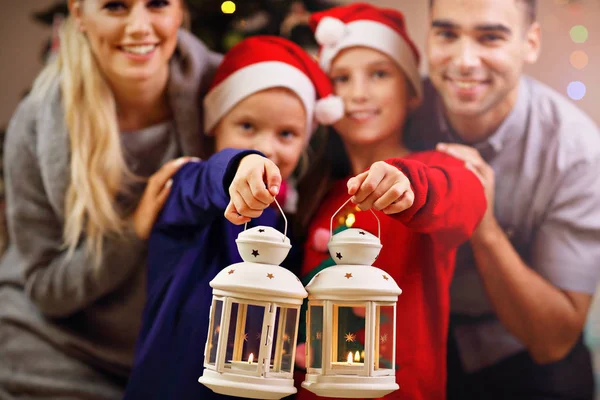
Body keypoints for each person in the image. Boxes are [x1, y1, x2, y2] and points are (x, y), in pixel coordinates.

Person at [0, 0, 222, 398]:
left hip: (183, 359)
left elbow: (307, 148)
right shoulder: (35, 123)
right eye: (115, 6)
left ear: (180, 11)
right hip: (57, 350)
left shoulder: (229, 87)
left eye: (157, 4)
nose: (139, 27)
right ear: (80, 14)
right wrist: (132, 231)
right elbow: (44, 288)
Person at [122, 35, 345, 400]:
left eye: (286, 134)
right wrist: (240, 164)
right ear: (214, 125)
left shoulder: (291, 225)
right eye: (247, 127)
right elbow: (209, 179)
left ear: (305, 142)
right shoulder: (188, 186)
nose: (267, 147)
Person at [404, 0, 600, 398]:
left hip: (526, 359)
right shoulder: (401, 110)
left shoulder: (575, 152)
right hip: (414, 345)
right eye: (446, 34)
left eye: (490, 37)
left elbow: (554, 340)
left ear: (530, 43)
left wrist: (484, 227)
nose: (464, 61)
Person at [294, 4, 488, 400]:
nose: (358, 93)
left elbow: (466, 201)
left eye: (379, 74)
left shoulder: (436, 169)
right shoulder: (320, 193)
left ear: (411, 92)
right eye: (341, 79)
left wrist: (409, 186)